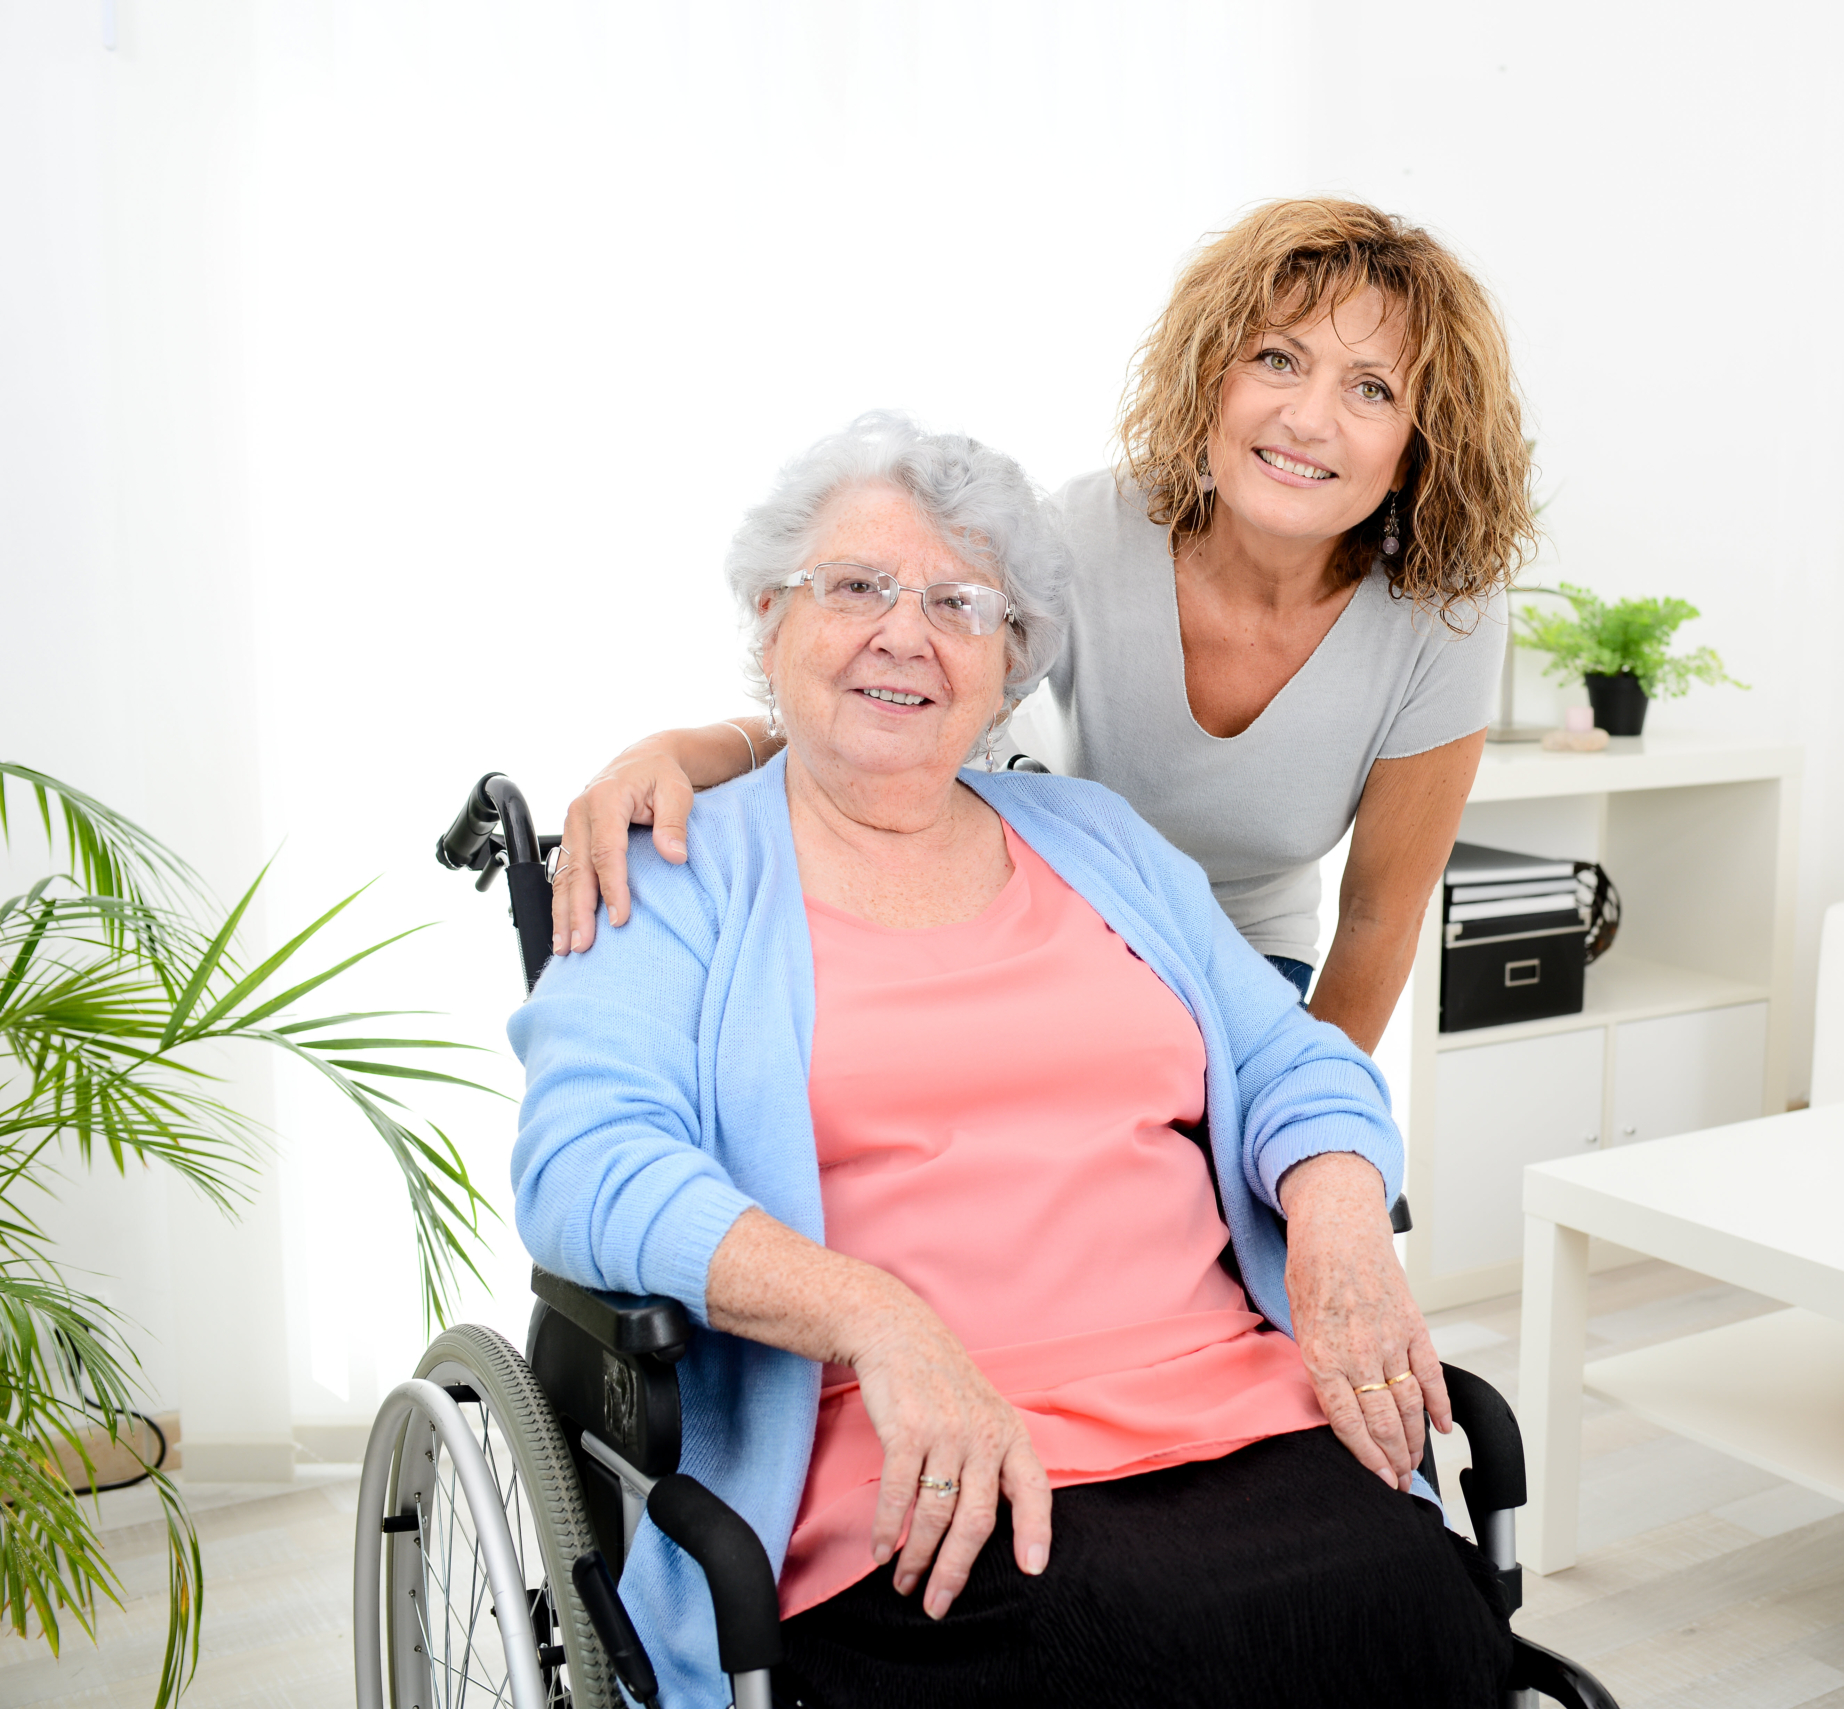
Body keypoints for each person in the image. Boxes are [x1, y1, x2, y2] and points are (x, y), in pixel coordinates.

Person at [510, 414, 1508, 1708]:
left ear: (1010, 663)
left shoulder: (1098, 837)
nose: (905, 633)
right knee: (1119, 1653)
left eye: (960, 604)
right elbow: (584, 1164)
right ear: (770, 621)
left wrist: (1334, 1209)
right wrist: (876, 1317)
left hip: (1234, 1411)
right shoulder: (674, 869)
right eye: (856, 586)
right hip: (917, 1457)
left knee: (1419, 1612)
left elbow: (1293, 1064)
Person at [549, 198, 1538, 1053]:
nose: (1309, 417)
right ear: (1212, 382)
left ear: (1418, 447)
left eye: (1371, 388)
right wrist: (685, 749)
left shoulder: (1439, 621)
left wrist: (1304, 1139)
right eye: (1277, 358)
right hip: (1060, 914)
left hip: (1245, 953)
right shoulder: (1090, 534)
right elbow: (905, 693)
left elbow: (1376, 917)